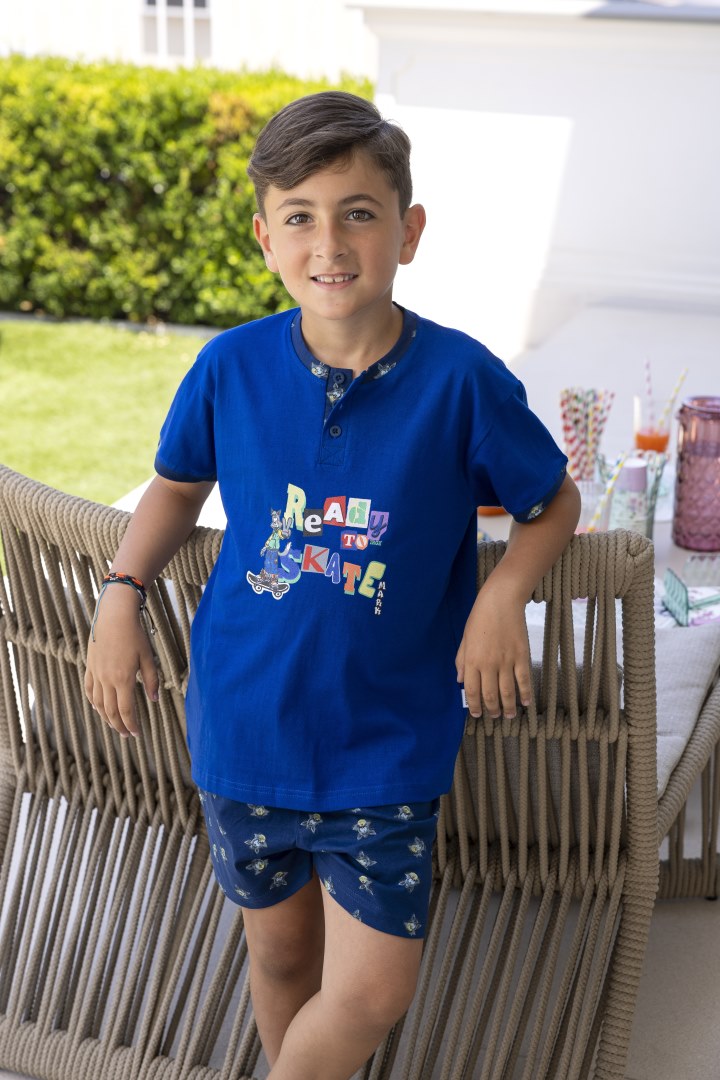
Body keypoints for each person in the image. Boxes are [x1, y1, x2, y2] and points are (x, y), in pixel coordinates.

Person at [85, 91, 580, 1080]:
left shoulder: (464, 381)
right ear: (266, 237)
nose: (331, 243)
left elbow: (551, 500)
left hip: (386, 742)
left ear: (409, 230)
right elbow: (176, 489)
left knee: (371, 992)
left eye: (358, 212)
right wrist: (121, 591)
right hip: (245, 727)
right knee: (281, 957)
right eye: (301, 216)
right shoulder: (228, 367)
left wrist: (502, 595)